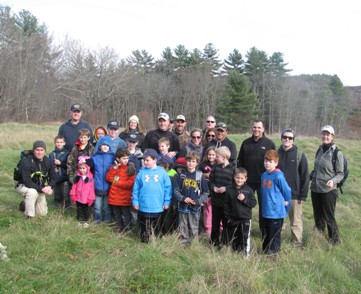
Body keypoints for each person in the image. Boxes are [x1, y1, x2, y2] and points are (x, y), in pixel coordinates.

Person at [237, 119, 276, 236]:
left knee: (264, 207)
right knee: (244, 204)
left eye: (259, 128)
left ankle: (264, 232)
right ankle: (243, 229)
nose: (256, 130)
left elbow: (273, 163)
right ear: (252, 128)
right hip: (247, 182)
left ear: (263, 129)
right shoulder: (246, 143)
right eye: (254, 127)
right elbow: (240, 162)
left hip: (264, 182)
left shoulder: (269, 144)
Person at [310, 125, 344, 245]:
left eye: (328, 134)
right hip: (315, 188)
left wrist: (333, 181)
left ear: (332, 136)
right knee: (317, 214)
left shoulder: (336, 153)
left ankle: (334, 240)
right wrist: (309, 176)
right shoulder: (319, 150)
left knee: (328, 216)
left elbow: (341, 174)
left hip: (328, 190)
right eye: (324, 134)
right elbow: (316, 169)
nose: (325, 136)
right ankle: (318, 236)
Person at [277, 128, 309, 247]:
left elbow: (305, 176)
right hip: (278, 194)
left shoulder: (299, 155)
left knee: (295, 221)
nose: (287, 139)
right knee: (277, 219)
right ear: (281, 138)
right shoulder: (276, 153)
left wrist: (303, 195)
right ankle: (276, 240)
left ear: (293, 140)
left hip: (294, 195)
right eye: (285, 137)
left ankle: (297, 243)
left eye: (290, 138)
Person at [131, 149, 172, 243]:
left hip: (157, 206)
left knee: (156, 226)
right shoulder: (141, 172)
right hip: (143, 205)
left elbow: (167, 189)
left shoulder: (162, 173)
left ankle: (156, 241)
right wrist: (135, 201)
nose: (145, 162)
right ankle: (144, 241)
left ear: (155, 160)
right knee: (144, 225)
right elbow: (136, 188)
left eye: (147, 160)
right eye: (144, 160)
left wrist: (166, 201)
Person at [173, 151, 209, 246]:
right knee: (183, 225)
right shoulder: (180, 175)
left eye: (193, 161)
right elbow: (176, 190)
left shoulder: (200, 175)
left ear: (197, 163)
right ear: (186, 162)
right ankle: (184, 242)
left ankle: (194, 244)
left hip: (195, 206)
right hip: (182, 205)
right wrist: (183, 198)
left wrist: (198, 201)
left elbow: (206, 192)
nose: (191, 163)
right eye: (189, 161)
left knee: (194, 226)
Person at [261, 150, 291, 254]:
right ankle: (265, 251)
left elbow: (287, 191)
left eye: (270, 161)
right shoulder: (264, 175)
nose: (267, 163)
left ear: (276, 163)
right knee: (266, 233)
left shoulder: (278, 176)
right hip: (266, 210)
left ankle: (274, 253)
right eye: (266, 161)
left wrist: (286, 203)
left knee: (274, 234)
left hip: (276, 212)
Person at [16, 140, 56, 218]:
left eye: (42, 150)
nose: (39, 152)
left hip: (39, 187)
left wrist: (49, 187)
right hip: (23, 185)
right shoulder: (26, 161)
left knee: (42, 213)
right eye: (37, 150)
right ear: (34, 151)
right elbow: (27, 181)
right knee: (32, 192)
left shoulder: (48, 162)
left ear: (45, 151)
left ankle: (24, 205)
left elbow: (54, 177)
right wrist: (42, 189)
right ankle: (29, 216)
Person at [224, 168, 257, 255]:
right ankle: (235, 253)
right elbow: (226, 204)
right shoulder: (230, 189)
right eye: (237, 178)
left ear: (245, 179)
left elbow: (253, 203)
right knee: (234, 236)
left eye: (242, 178)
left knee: (244, 237)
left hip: (245, 219)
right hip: (233, 218)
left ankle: (245, 255)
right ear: (234, 177)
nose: (239, 180)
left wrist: (244, 200)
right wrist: (228, 217)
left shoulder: (249, 190)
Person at [209, 146, 235, 248]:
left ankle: (225, 242)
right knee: (214, 222)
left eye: (217, 156)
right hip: (216, 201)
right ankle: (214, 242)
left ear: (224, 157)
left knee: (225, 223)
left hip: (226, 202)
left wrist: (226, 188)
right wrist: (214, 187)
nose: (216, 158)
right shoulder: (215, 167)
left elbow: (234, 184)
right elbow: (211, 180)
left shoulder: (233, 169)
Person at [106, 148, 136, 234]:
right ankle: (118, 228)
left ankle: (127, 229)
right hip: (114, 196)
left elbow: (129, 183)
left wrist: (116, 181)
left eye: (127, 158)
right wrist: (114, 170)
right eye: (123, 158)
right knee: (117, 214)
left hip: (125, 197)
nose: (126, 160)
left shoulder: (130, 168)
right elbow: (108, 178)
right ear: (118, 159)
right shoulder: (115, 168)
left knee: (126, 214)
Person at [92, 136, 115, 224]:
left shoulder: (112, 157)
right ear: (99, 146)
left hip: (108, 185)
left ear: (110, 147)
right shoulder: (95, 157)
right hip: (97, 185)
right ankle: (97, 220)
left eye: (107, 145)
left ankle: (107, 221)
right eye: (103, 145)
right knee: (97, 206)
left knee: (106, 206)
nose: (105, 147)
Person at [69, 156, 95, 228]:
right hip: (78, 197)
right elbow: (74, 186)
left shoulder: (90, 178)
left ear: (87, 168)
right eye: (80, 168)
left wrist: (91, 198)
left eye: (83, 168)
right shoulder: (77, 177)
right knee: (79, 209)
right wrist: (73, 194)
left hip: (86, 198)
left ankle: (86, 221)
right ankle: (80, 221)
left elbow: (92, 188)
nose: (82, 170)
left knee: (86, 210)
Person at [198, 146, 217, 237]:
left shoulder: (218, 164)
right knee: (208, 210)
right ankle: (208, 228)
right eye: (209, 154)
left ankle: (219, 227)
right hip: (206, 190)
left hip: (217, 191)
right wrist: (205, 175)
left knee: (217, 210)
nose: (211, 157)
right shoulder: (202, 165)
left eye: (213, 155)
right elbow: (198, 174)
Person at [49, 135, 70, 208]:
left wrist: (61, 163)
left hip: (64, 177)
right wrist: (53, 168)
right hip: (56, 177)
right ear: (55, 143)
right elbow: (49, 165)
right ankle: (57, 207)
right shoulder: (52, 154)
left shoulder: (67, 153)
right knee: (57, 194)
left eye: (61, 142)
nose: (59, 144)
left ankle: (66, 207)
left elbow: (69, 165)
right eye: (57, 142)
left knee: (65, 192)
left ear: (64, 143)